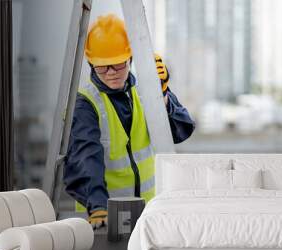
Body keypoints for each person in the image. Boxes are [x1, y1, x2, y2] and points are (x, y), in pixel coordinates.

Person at [63, 14, 195, 228]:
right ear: (91, 63)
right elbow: (85, 156)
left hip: (149, 212)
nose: (111, 73)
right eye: (102, 67)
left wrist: (163, 96)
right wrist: (97, 207)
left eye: (117, 65)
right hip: (105, 217)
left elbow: (182, 131)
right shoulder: (85, 103)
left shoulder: (145, 91)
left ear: (130, 59)